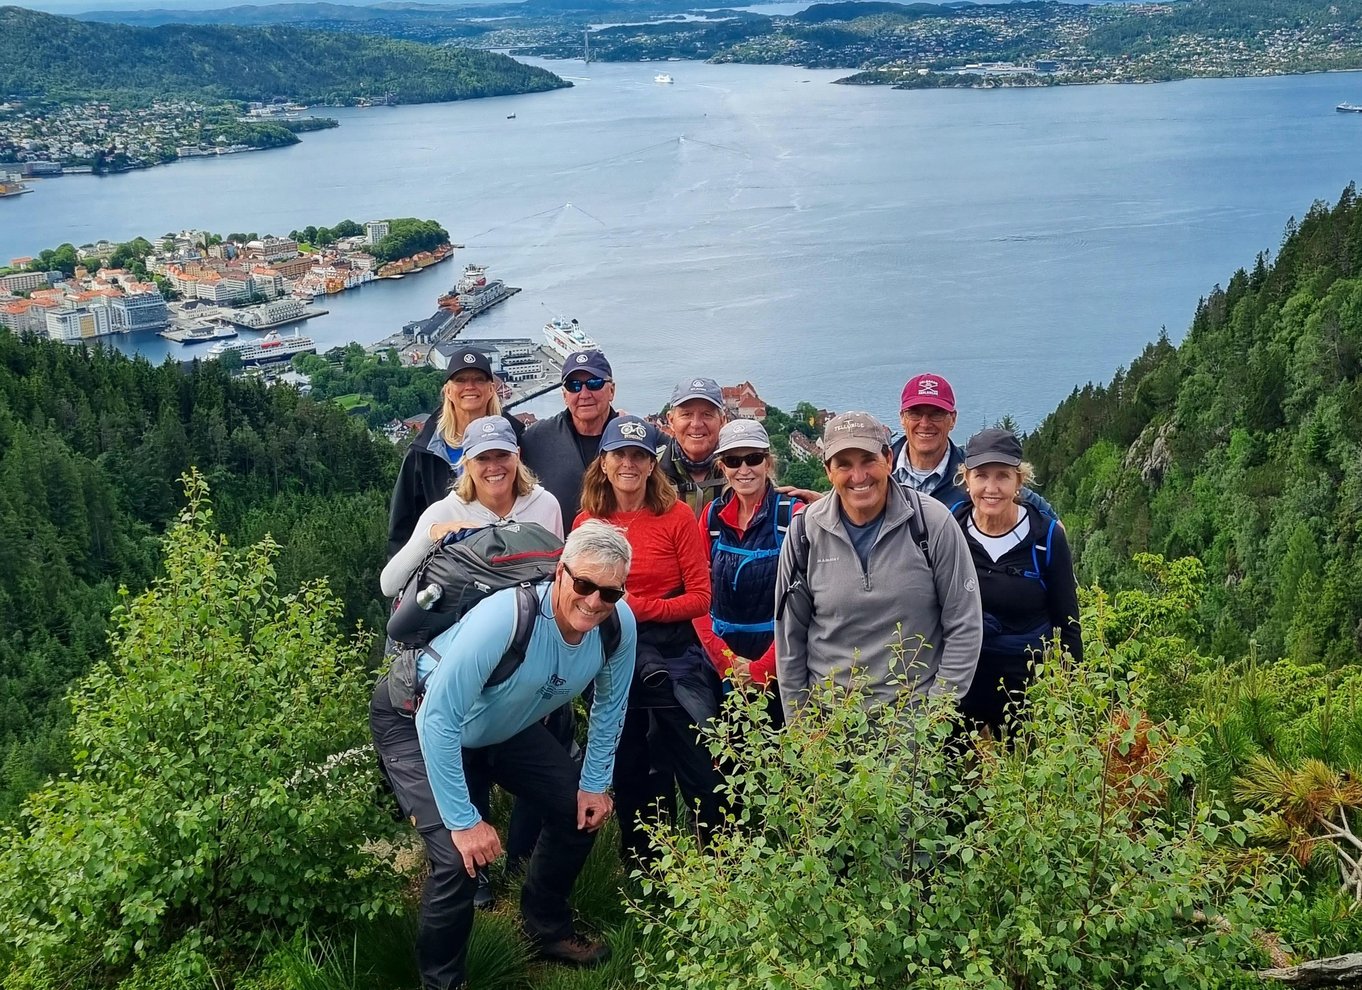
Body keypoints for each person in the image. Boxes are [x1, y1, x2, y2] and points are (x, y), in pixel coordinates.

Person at [369, 521, 637, 990]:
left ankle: (545, 928)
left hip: (499, 724)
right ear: (560, 573)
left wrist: (595, 784)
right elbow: (437, 718)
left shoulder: (618, 625)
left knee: (578, 812)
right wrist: (464, 821)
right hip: (414, 719)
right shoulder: (506, 617)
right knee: (458, 861)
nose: (594, 603)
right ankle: (443, 981)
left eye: (610, 593)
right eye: (584, 585)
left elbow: (611, 705)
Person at [572, 415, 722, 866]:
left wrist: (640, 607)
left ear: (652, 464)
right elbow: (575, 593)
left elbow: (700, 597)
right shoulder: (588, 521)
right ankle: (646, 869)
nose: (630, 464)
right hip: (613, 651)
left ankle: (719, 865)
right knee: (632, 765)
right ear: (604, 462)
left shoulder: (675, 516)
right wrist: (620, 611)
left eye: (640, 456)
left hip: (673, 652)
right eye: (620, 454)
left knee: (698, 766)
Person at [775, 411, 983, 719]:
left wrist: (935, 716)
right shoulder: (805, 532)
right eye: (844, 464)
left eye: (868, 460)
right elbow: (789, 636)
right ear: (828, 471)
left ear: (888, 457)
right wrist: (800, 725)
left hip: (912, 723)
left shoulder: (932, 523)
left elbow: (964, 624)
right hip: (829, 726)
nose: (859, 476)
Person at [950, 428, 1082, 738]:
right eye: (981, 475)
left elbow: (1068, 621)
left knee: (1023, 773)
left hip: (1026, 685)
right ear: (966, 480)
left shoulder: (1045, 537)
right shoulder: (951, 528)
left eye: (1003, 476)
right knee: (953, 775)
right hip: (963, 678)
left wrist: (1072, 693)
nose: (991, 488)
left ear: (1019, 481)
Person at [693, 419, 804, 728]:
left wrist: (762, 670)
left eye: (753, 458)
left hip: (781, 666)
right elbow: (697, 596)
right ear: (722, 467)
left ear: (767, 462)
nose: (744, 469)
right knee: (730, 762)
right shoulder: (712, 518)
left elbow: (807, 607)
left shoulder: (792, 516)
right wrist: (726, 662)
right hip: (722, 663)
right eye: (733, 460)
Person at [381, 416, 564, 598]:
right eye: (482, 458)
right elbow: (389, 585)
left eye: (502, 455)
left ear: (517, 455)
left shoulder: (545, 505)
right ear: (467, 463)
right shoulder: (444, 513)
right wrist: (431, 536)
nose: (493, 467)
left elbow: (557, 577)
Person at [388, 347, 522, 559]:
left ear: (491, 389)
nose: (470, 386)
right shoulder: (424, 452)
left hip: (511, 559)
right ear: (448, 391)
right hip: (447, 567)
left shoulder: (518, 439)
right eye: (460, 380)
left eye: (479, 379)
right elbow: (402, 526)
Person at [893, 373, 1054, 515]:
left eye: (936, 414)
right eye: (915, 413)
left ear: (953, 419)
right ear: (902, 418)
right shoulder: (879, 468)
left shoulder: (973, 471)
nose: (925, 423)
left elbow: (1047, 517)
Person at [520, 349, 621, 526]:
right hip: (556, 549)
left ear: (611, 390)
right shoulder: (535, 438)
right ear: (564, 395)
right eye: (574, 386)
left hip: (621, 548)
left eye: (594, 383)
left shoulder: (633, 439)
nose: (584, 394)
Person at [660, 376, 728, 516]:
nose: (696, 424)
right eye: (687, 414)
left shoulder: (740, 466)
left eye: (707, 415)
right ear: (671, 420)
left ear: (722, 421)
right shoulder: (651, 470)